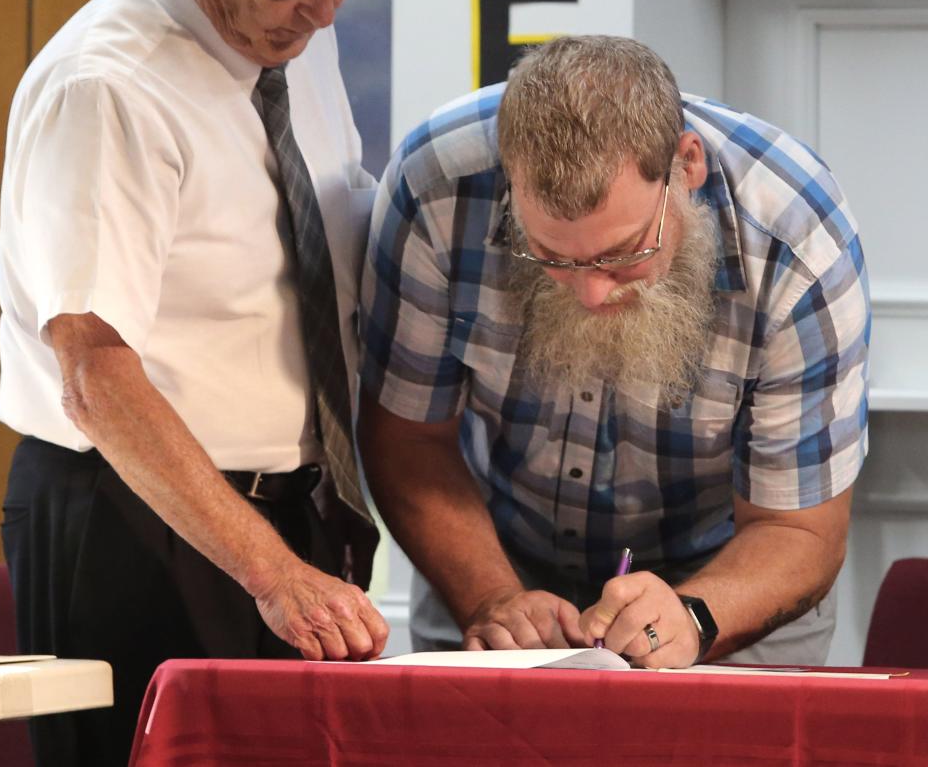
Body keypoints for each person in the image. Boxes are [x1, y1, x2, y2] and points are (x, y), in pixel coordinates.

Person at [0, 0, 388, 766]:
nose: (323, 6)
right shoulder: (109, 88)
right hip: (134, 515)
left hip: (289, 510)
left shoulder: (293, 23)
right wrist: (273, 575)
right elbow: (95, 376)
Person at [359, 35, 869, 669]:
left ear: (687, 166)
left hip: (731, 576)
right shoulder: (435, 189)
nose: (591, 293)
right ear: (508, 181)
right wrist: (492, 596)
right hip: (497, 557)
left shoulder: (799, 243)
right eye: (550, 257)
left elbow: (799, 531)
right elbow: (408, 440)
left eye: (623, 254)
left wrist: (691, 617)